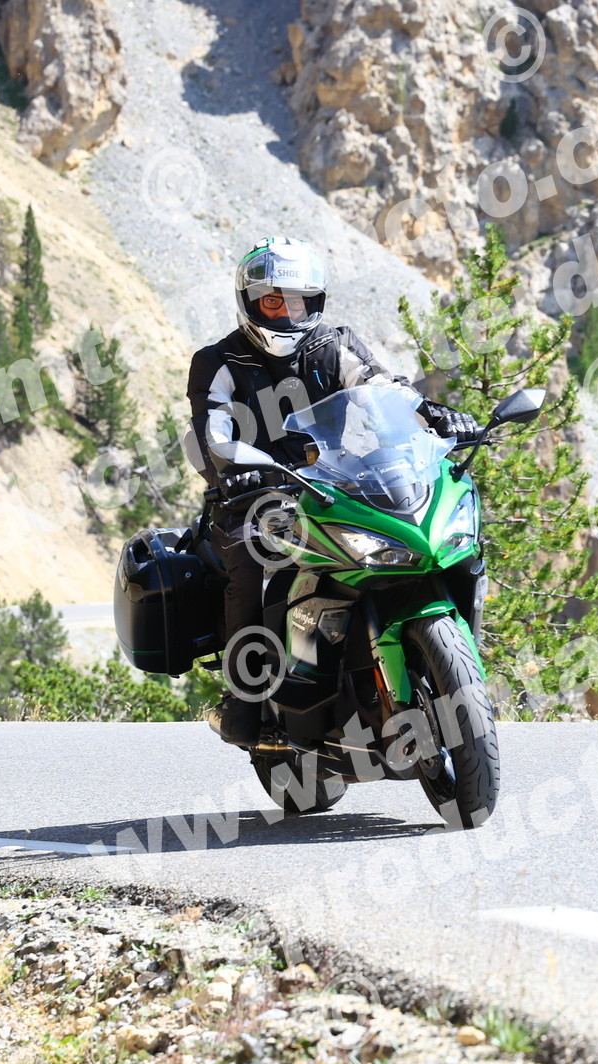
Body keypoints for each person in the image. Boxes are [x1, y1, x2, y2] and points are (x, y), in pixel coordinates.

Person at [186, 236, 479, 746]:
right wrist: (232, 467)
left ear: (315, 302)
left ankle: (438, 660)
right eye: (272, 301)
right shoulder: (219, 361)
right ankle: (246, 701)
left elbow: (386, 388)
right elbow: (212, 431)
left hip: (338, 484)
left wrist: (433, 414)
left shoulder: (333, 344)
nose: (286, 312)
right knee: (248, 570)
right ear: (250, 302)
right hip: (255, 495)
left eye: (297, 301)